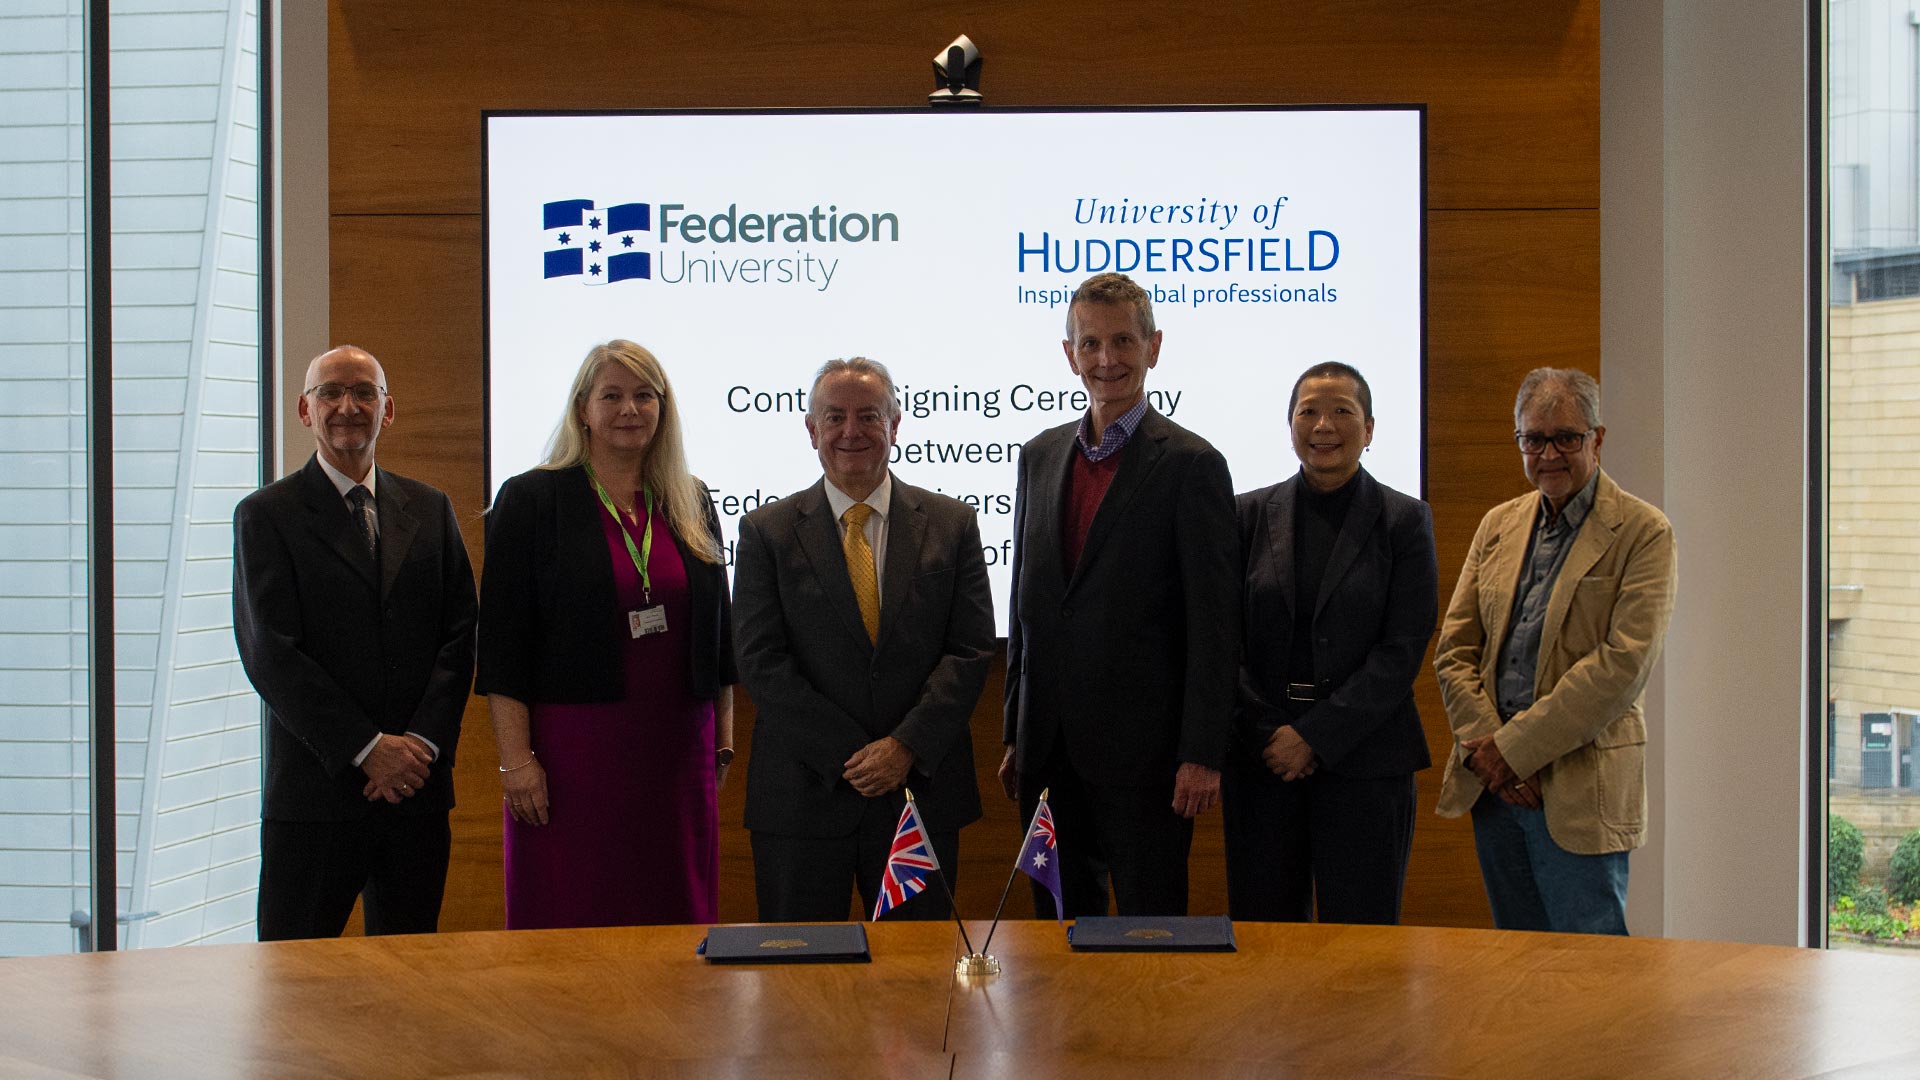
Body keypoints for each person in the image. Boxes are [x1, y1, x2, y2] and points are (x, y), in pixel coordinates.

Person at [999, 272, 1240, 918]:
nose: (1107, 359)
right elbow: (1028, 605)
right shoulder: (1038, 457)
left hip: (1151, 761)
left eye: (1124, 341)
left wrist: (1201, 752)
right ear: (1069, 353)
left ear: (1153, 347)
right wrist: (1016, 730)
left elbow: (1216, 626)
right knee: (1054, 928)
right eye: (1091, 343)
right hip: (1047, 752)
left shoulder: (1193, 464)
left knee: (1149, 937)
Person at [475, 339, 736, 928]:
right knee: (574, 911)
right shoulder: (532, 499)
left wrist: (721, 743)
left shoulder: (690, 499)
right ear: (582, 410)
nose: (629, 409)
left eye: (645, 395)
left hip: (676, 758)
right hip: (575, 758)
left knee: (674, 914)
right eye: (612, 395)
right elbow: (502, 645)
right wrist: (516, 762)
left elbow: (719, 640)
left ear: (663, 409)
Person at [734, 358, 995, 921]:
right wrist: (853, 756)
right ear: (811, 431)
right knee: (801, 983)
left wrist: (903, 748)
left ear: (896, 425)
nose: (851, 431)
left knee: (918, 986)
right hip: (803, 799)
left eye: (869, 416)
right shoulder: (766, 532)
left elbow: (971, 649)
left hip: (917, 795)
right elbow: (760, 661)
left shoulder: (953, 524)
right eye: (835, 417)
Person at [233, 344, 477, 940]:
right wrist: (368, 749)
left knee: (411, 986)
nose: (349, 406)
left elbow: (461, 635)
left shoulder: (430, 508)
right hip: (316, 796)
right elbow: (271, 651)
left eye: (365, 393)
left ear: (387, 410)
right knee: (296, 989)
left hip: (415, 796)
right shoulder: (266, 515)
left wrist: (417, 746)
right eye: (331, 393)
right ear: (304, 409)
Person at [1434, 367, 1676, 935]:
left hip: (1577, 788)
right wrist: (1494, 758)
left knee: (1589, 980)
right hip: (1496, 790)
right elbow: (1454, 650)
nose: (1549, 453)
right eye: (1533, 439)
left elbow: (1622, 665)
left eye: (1566, 437)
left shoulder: (1644, 531)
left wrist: (1513, 751)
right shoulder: (1498, 524)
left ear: (1597, 438)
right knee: (1515, 967)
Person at [1222, 362, 1438, 925]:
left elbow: (1403, 649)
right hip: (1263, 762)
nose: (1324, 424)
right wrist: (1272, 734)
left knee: (1361, 955)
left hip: (1367, 765)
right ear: (1289, 425)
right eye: (1308, 411)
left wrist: (1314, 737)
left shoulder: (1405, 520)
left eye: (1342, 410)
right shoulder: (1244, 515)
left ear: (1369, 429)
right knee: (1265, 944)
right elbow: (1222, 640)